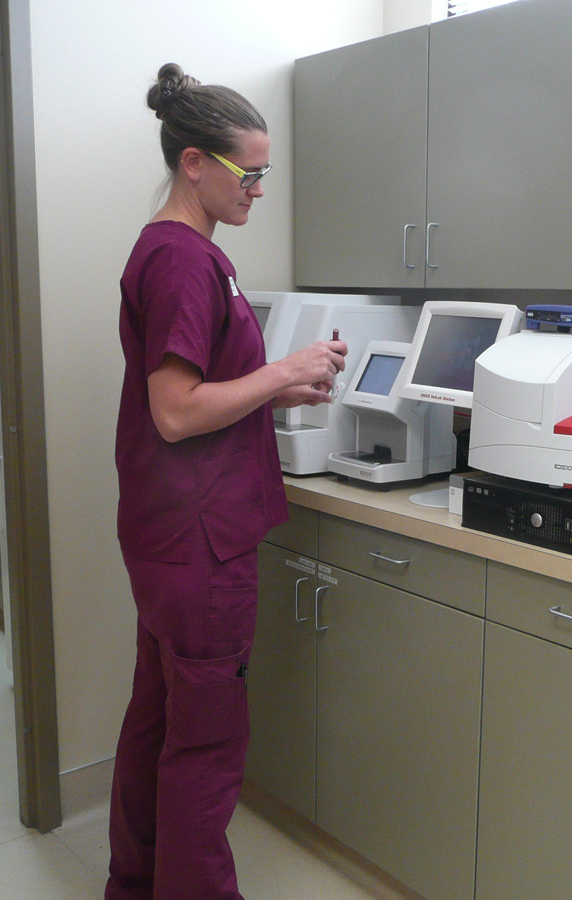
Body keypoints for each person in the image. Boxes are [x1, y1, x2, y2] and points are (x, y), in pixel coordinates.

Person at [106, 63, 347, 900]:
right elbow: (175, 411)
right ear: (195, 164)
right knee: (203, 746)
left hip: (171, 533)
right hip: (199, 542)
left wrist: (281, 384)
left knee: (159, 721)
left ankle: (135, 885)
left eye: (265, 173)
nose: (258, 189)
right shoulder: (183, 260)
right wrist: (284, 367)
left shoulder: (184, 251)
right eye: (248, 173)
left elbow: (206, 392)